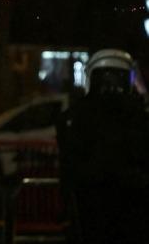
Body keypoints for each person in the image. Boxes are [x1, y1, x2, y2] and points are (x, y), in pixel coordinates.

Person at [55, 49, 149, 244]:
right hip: (129, 207)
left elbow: (68, 163)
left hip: (90, 204)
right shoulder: (137, 115)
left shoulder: (76, 116)